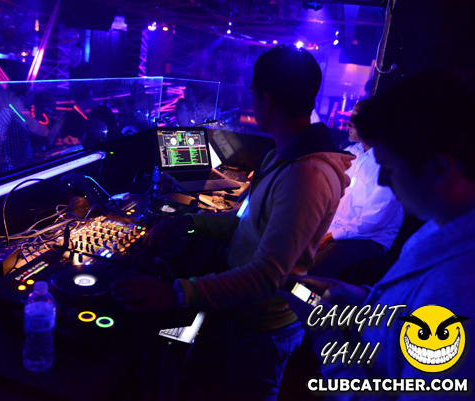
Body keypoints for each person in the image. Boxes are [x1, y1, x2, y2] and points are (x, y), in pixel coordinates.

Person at [111, 45, 354, 400]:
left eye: (253, 94)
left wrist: (174, 293)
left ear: (264, 98)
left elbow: (266, 276)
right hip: (242, 313)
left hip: (263, 326)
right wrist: (190, 222)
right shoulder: (282, 155)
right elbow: (248, 225)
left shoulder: (306, 175)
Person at [287, 71, 475, 401]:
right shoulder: (440, 226)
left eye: (389, 168)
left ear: (439, 170)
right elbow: (413, 318)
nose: (385, 182)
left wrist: (327, 338)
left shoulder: (459, 289)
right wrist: (363, 299)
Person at [311, 100, 404, 282]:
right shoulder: (352, 152)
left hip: (369, 238)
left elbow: (372, 221)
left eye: (355, 118)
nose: (348, 123)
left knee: (315, 268)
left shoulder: (387, 163)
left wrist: (332, 235)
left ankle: (324, 299)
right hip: (338, 229)